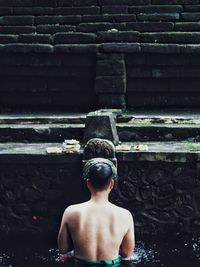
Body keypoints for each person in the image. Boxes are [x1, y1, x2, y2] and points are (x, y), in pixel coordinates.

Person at [57, 158, 135, 265]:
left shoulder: (70, 212)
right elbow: (127, 254)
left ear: (88, 183)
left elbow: (63, 250)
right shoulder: (125, 215)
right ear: (111, 184)